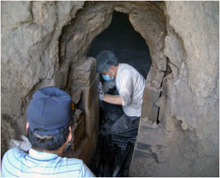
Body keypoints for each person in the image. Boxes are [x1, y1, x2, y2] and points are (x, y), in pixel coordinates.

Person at [1, 86, 95, 177]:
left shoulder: (9, 159)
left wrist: (28, 148)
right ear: (69, 134)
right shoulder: (78, 171)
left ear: (27, 127)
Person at [96, 50, 145, 135]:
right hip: (135, 103)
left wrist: (102, 97)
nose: (104, 76)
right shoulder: (120, 69)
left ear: (111, 68)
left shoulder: (125, 75)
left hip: (137, 114)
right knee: (115, 93)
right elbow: (109, 84)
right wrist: (101, 90)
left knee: (115, 130)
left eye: (104, 73)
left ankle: (137, 131)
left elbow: (125, 100)